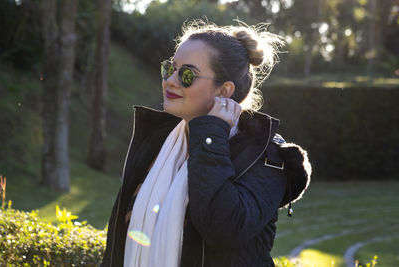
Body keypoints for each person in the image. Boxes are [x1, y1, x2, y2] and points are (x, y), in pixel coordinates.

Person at [101, 19, 311, 267]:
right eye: (170, 68)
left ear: (224, 91)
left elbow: (222, 229)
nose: (171, 80)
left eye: (187, 74)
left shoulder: (268, 157)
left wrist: (212, 133)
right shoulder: (158, 143)